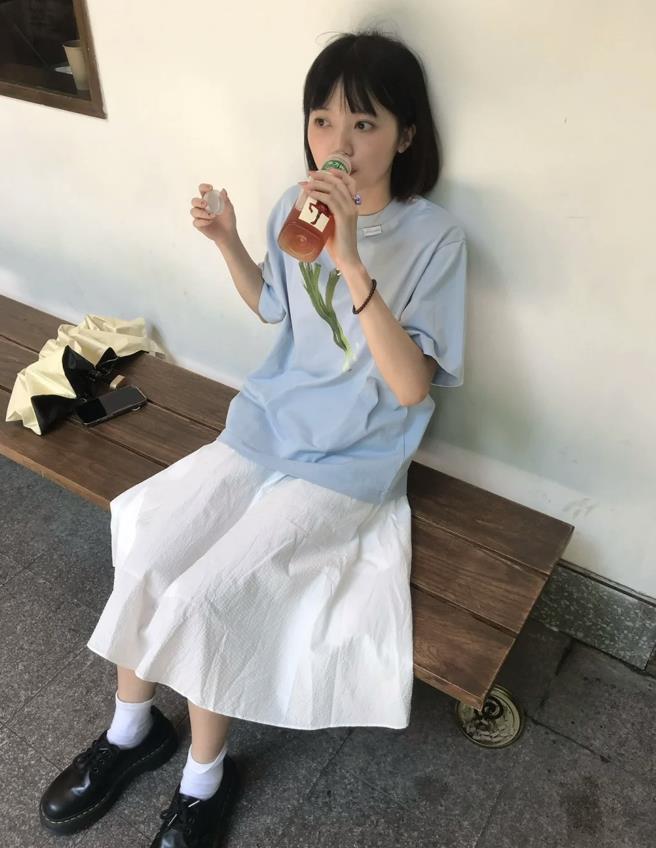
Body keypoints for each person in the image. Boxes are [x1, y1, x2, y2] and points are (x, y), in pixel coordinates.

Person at [39, 28, 467, 847]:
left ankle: (205, 779)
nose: (339, 144)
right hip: (266, 425)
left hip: (351, 461)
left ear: (407, 134)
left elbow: (413, 386)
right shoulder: (292, 206)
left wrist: (352, 259)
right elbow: (275, 304)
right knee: (151, 540)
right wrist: (227, 239)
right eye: (323, 120)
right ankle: (133, 731)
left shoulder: (435, 239)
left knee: (208, 593)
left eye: (365, 124)